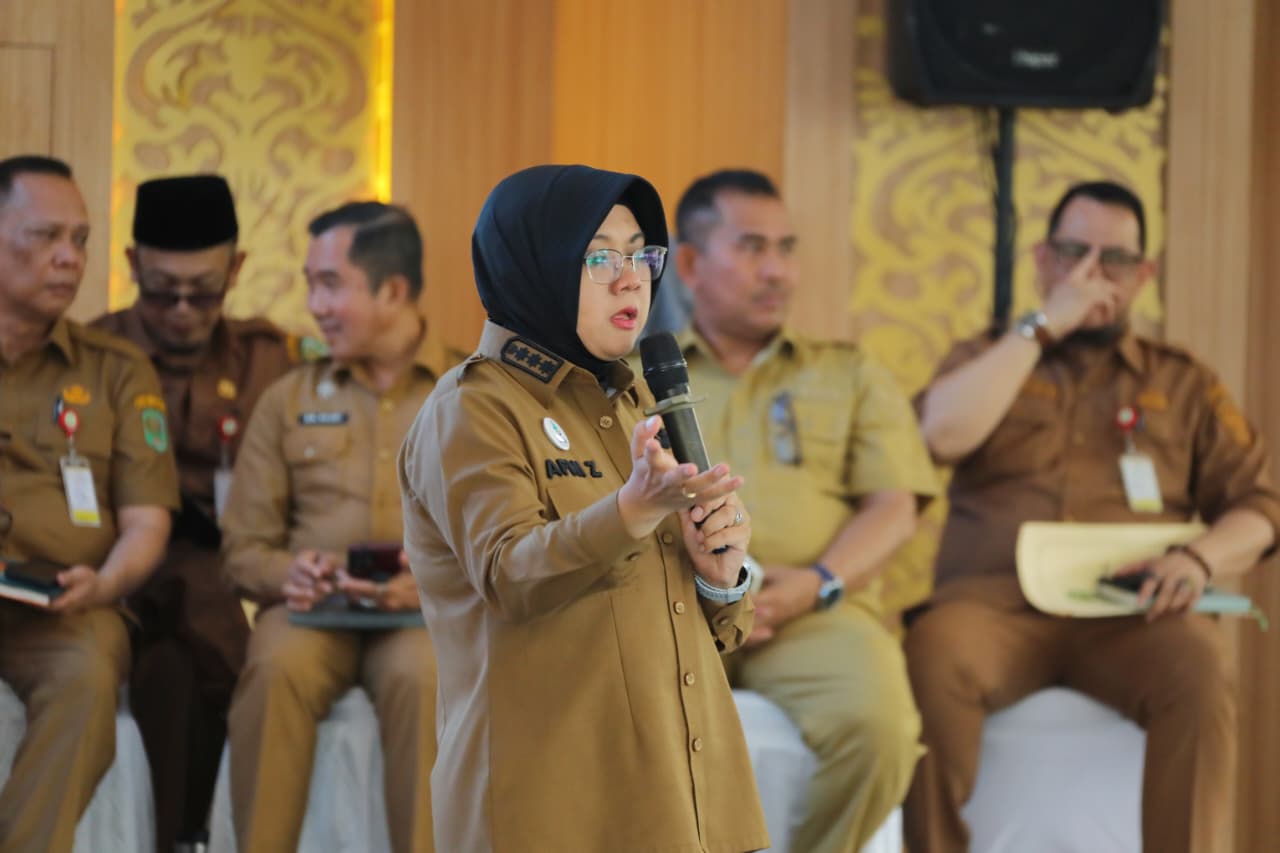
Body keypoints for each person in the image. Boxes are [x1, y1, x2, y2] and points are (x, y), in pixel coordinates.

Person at [399, 164, 770, 853]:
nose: (632, 280)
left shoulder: (634, 398)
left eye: (640, 255)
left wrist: (721, 578)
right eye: (600, 258)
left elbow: (688, 624)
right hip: (556, 812)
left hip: (688, 805)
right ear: (535, 265)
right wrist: (630, 511)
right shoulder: (473, 409)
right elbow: (509, 577)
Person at [906, 181, 1280, 853]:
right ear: (1042, 259)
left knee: (1199, 666)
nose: (1091, 275)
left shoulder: (1184, 381)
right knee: (932, 654)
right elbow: (938, 437)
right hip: (994, 608)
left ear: (1143, 275)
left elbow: (1261, 508)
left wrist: (1198, 561)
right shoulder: (989, 355)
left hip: (1132, 612)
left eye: (1114, 260)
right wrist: (1040, 326)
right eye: (1073, 254)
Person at [670, 169, 938, 851]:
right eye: (752, 247)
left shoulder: (847, 371)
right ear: (691, 264)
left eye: (787, 248)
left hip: (811, 611)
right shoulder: (640, 376)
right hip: (670, 613)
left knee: (881, 729)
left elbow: (895, 504)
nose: (778, 271)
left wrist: (818, 582)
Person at [220, 201, 461, 853]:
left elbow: (511, 537)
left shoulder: (470, 394)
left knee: (426, 679)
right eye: (310, 284)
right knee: (273, 668)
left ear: (393, 291)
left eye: (330, 285)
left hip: (424, 616)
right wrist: (288, 573)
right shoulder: (288, 397)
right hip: (311, 611)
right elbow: (242, 547)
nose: (314, 306)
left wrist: (435, 585)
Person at [92, 173, 308, 853]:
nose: (182, 310)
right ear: (132, 265)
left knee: (170, 674)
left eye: (204, 291)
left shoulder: (271, 360)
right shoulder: (95, 356)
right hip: (122, 571)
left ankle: (185, 838)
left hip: (231, 571)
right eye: (162, 290)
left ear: (236, 269)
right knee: (190, 586)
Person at [0, 154, 178, 852]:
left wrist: (105, 583)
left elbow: (147, 521)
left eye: (79, 239)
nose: (69, 257)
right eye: (46, 236)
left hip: (62, 608)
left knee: (87, 671)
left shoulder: (117, 370)